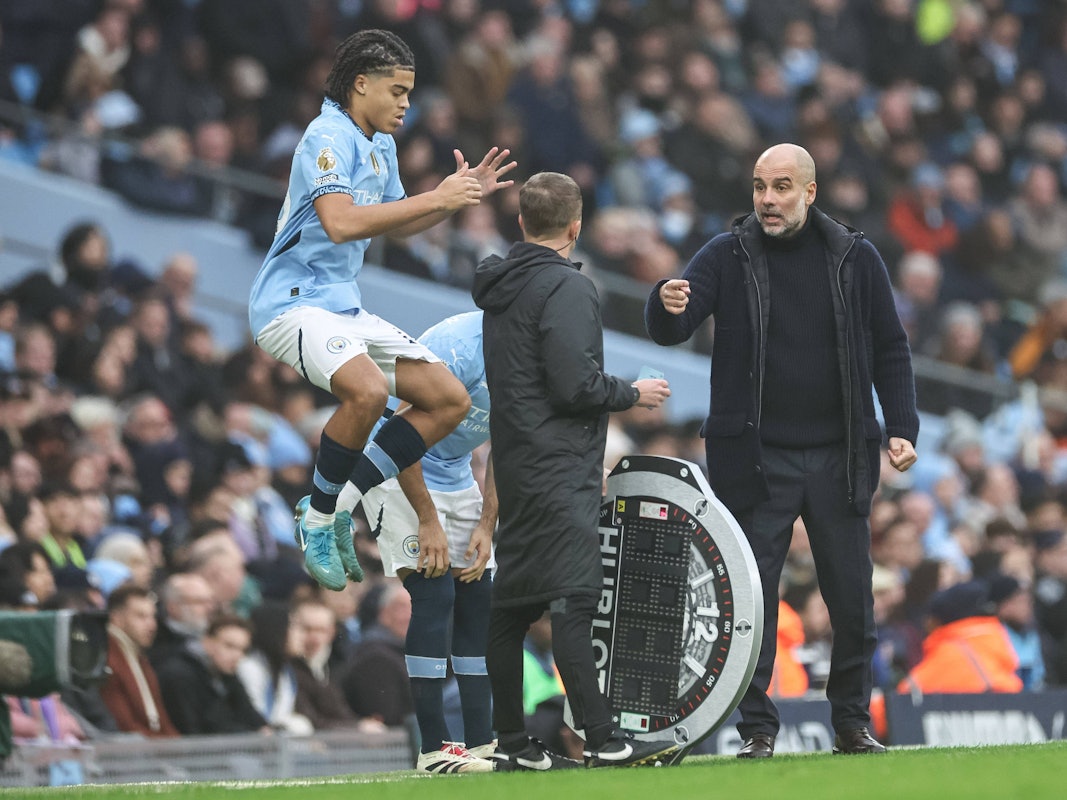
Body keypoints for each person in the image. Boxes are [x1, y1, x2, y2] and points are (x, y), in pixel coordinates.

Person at [644, 143, 919, 758]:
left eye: (782, 187)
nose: (768, 199)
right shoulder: (726, 253)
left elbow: (892, 347)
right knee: (751, 602)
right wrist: (664, 300)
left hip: (840, 457)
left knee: (851, 599)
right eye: (760, 186)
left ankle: (852, 723)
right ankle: (757, 731)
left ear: (811, 192)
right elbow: (673, 325)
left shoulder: (856, 256)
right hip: (756, 460)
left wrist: (902, 424)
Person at [247, 29, 515, 593]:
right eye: (397, 91)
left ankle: (340, 503)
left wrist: (451, 196)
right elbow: (341, 222)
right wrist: (435, 199)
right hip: (291, 303)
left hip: (342, 306)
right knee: (367, 392)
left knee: (447, 400)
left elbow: (397, 222)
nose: (405, 104)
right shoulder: (326, 135)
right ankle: (318, 518)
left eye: (410, 93)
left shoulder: (382, 146)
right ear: (360, 84)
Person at [472, 171, 673, 770]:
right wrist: (630, 391)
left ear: (521, 222)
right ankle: (604, 739)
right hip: (558, 467)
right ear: (576, 226)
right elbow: (572, 384)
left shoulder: (499, 286)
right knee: (571, 602)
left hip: (516, 460)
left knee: (509, 610)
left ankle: (512, 744)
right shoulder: (567, 288)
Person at [351, 310, 497, 774]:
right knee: (435, 595)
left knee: (478, 595)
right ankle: (433, 748)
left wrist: (487, 525)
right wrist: (427, 519)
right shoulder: (458, 344)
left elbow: (509, 447)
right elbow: (400, 432)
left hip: (455, 474)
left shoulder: (537, 352)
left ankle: (481, 745)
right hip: (397, 469)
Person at [100, 584, 179, 738]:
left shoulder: (138, 658)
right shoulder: (108, 660)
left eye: (152, 617)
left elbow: (161, 720)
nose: (152, 625)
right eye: (141, 616)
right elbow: (125, 726)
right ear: (116, 618)